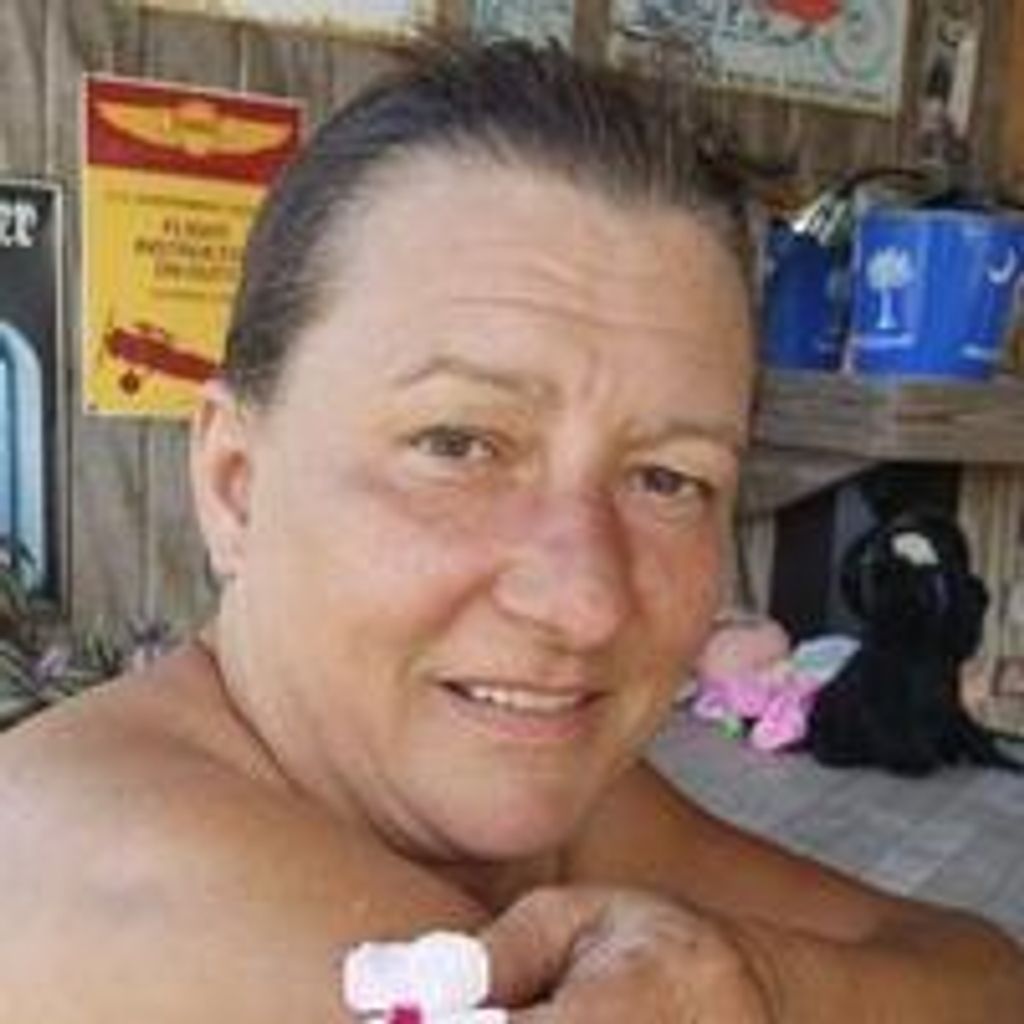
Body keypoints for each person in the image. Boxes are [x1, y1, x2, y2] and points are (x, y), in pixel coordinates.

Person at [0, 40, 1021, 1022]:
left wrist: (764, 983)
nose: (584, 602)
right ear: (236, 485)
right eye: (457, 444)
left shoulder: (495, 785)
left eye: (668, 478)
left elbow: (976, 970)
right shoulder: (137, 897)